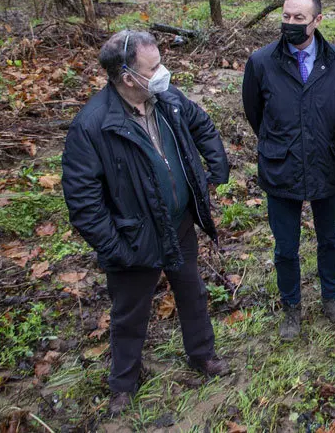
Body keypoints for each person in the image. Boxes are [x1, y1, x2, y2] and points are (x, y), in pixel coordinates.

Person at [62, 30, 231, 417]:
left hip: (179, 223)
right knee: (129, 311)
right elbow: (83, 202)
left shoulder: (167, 100)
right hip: (134, 235)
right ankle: (123, 383)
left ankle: (202, 355)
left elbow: (202, 125)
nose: (163, 73)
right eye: (153, 68)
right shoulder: (92, 126)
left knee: (193, 293)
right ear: (126, 77)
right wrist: (116, 247)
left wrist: (215, 171)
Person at [242, 0, 335, 340]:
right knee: (285, 247)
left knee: (330, 239)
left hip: (326, 163)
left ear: (317, 20)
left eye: (299, 18)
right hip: (281, 167)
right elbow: (254, 114)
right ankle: (291, 308)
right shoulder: (261, 62)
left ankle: (331, 299)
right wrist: (282, 142)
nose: (290, 24)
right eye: (286, 16)